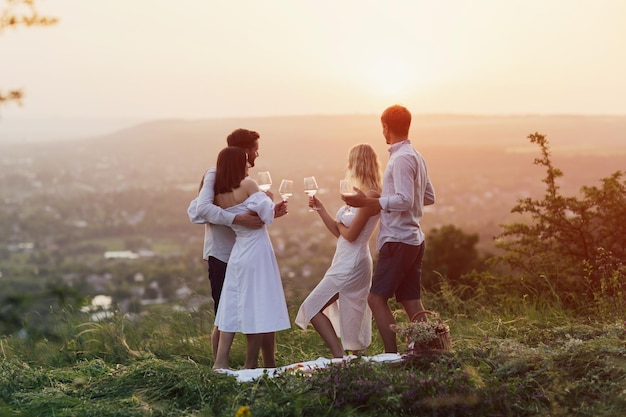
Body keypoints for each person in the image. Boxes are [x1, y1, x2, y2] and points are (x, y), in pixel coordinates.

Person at [188, 128, 287, 368]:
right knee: (226, 314)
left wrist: (264, 212)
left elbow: (256, 215)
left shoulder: (241, 181)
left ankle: (266, 364)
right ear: (243, 151)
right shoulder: (214, 175)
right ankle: (229, 366)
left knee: (256, 306)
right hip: (223, 254)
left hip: (243, 251)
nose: (257, 153)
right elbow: (197, 211)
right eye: (254, 148)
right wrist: (238, 219)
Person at [341, 105, 436, 354]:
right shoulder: (415, 155)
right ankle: (429, 351)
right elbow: (427, 196)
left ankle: (391, 355)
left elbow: (405, 200)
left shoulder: (401, 158)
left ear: (385, 127)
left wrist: (371, 202)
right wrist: (389, 198)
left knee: (376, 299)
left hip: (398, 240)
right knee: (410, 300)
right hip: (413, 239)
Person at [295, 144, 382, 358]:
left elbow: (351, 235)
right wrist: (321, 209)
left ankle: (339, 357)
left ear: (358, 164)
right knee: (350, 311)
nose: (348, 166)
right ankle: (349, 358)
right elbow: (339, 231)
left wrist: (343, 227)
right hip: (345, 259)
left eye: (350, 162)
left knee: (312, 307)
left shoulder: (371, 195)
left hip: (353, 262)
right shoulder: (358, 194)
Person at [210, 146, 290, 369]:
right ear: (238, 164)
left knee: (232, 303)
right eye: (245, 161)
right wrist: (269, 200)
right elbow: (265, 216)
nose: (248, 165)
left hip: (238, 252)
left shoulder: (218, 192)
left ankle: (221, 362)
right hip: (256, 251)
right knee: (258, 304)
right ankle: (250, 364)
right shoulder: (248, 184)